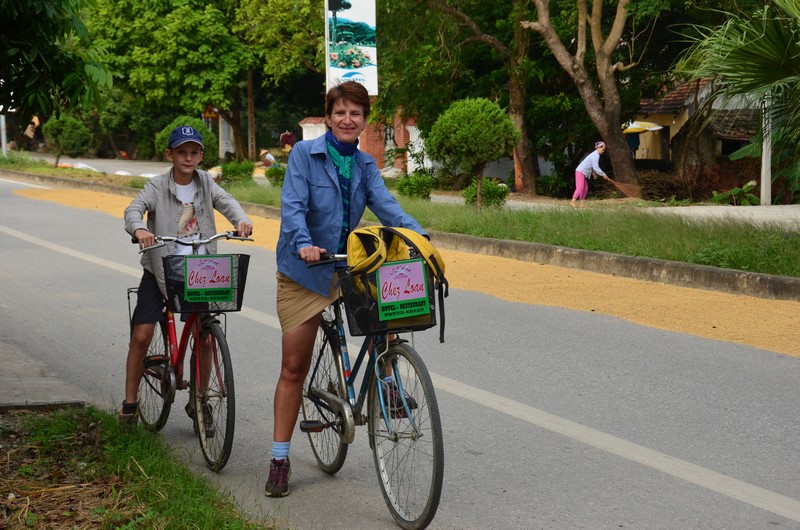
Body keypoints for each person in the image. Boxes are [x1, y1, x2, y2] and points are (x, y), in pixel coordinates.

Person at [265, 81, 427, 498]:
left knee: (390, 301)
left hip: (345, 264)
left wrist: (418, 235)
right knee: (294, 367)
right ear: (328, 117)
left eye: (355, 113)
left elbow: (387, 206)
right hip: (305, 270)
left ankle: (387, 380)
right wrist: (303, 244)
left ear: (364, 120)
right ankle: (279, 459)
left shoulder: (365, 164)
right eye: (340, 112)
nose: (347, 119)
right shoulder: (304, 154)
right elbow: (293, 207)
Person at [121, 125, 253, 424]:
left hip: (200, 272)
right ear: (170, 154)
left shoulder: (206, 182)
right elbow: (134, 209)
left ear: (201, 156)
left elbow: (227, 202)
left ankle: (199, 398)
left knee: (204, 337)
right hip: (160, 269)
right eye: (182, 152)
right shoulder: (156, 185)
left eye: (194, 152)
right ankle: (129, 403)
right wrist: (139, 229)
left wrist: (242, 220)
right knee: (141, 336)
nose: (188, 158)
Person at [571, 141, 610, 207]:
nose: (603, 151)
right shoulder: (595, 155)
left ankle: (581, 204)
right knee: (580, 187)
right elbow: (596, 167)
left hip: (583, 173)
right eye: (603, 149)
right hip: (580, 171)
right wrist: (604, 175)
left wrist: (593, 173)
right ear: (599, 148)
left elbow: (591, 165)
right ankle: (573, 201)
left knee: (585, 188)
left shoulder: (595, 155)